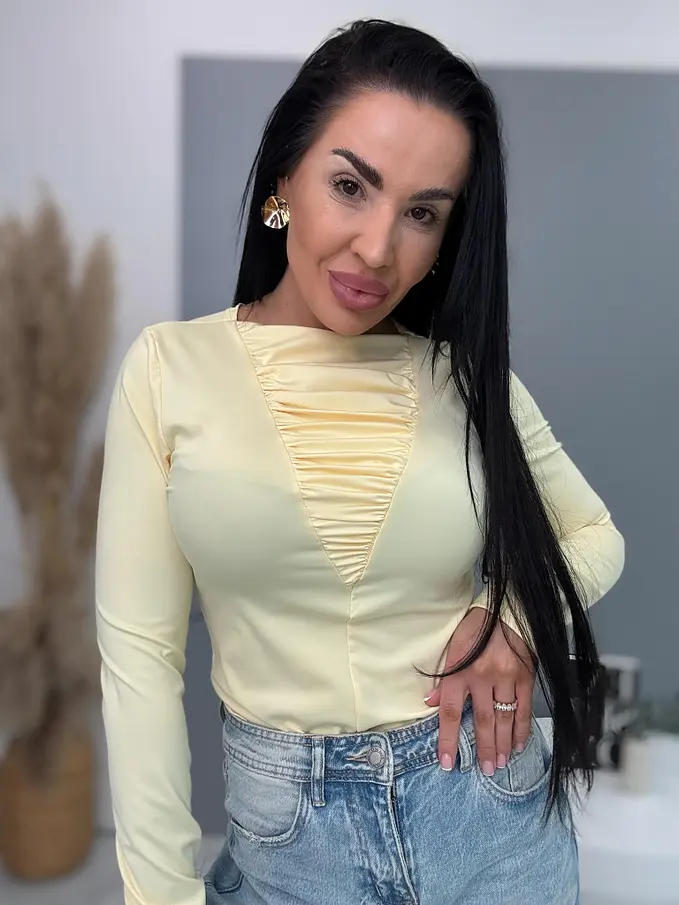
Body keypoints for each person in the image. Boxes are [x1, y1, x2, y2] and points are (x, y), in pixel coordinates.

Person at [95, 18, 625, 905]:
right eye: (350, 186)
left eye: (422, 213)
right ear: (283, 180)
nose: (378, 249)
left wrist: (512, 619)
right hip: (287, 838)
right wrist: (158, 893)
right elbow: (139, 658)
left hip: (489, 814)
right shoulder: (167, 369)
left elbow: (593, 532)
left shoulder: (464, 378)